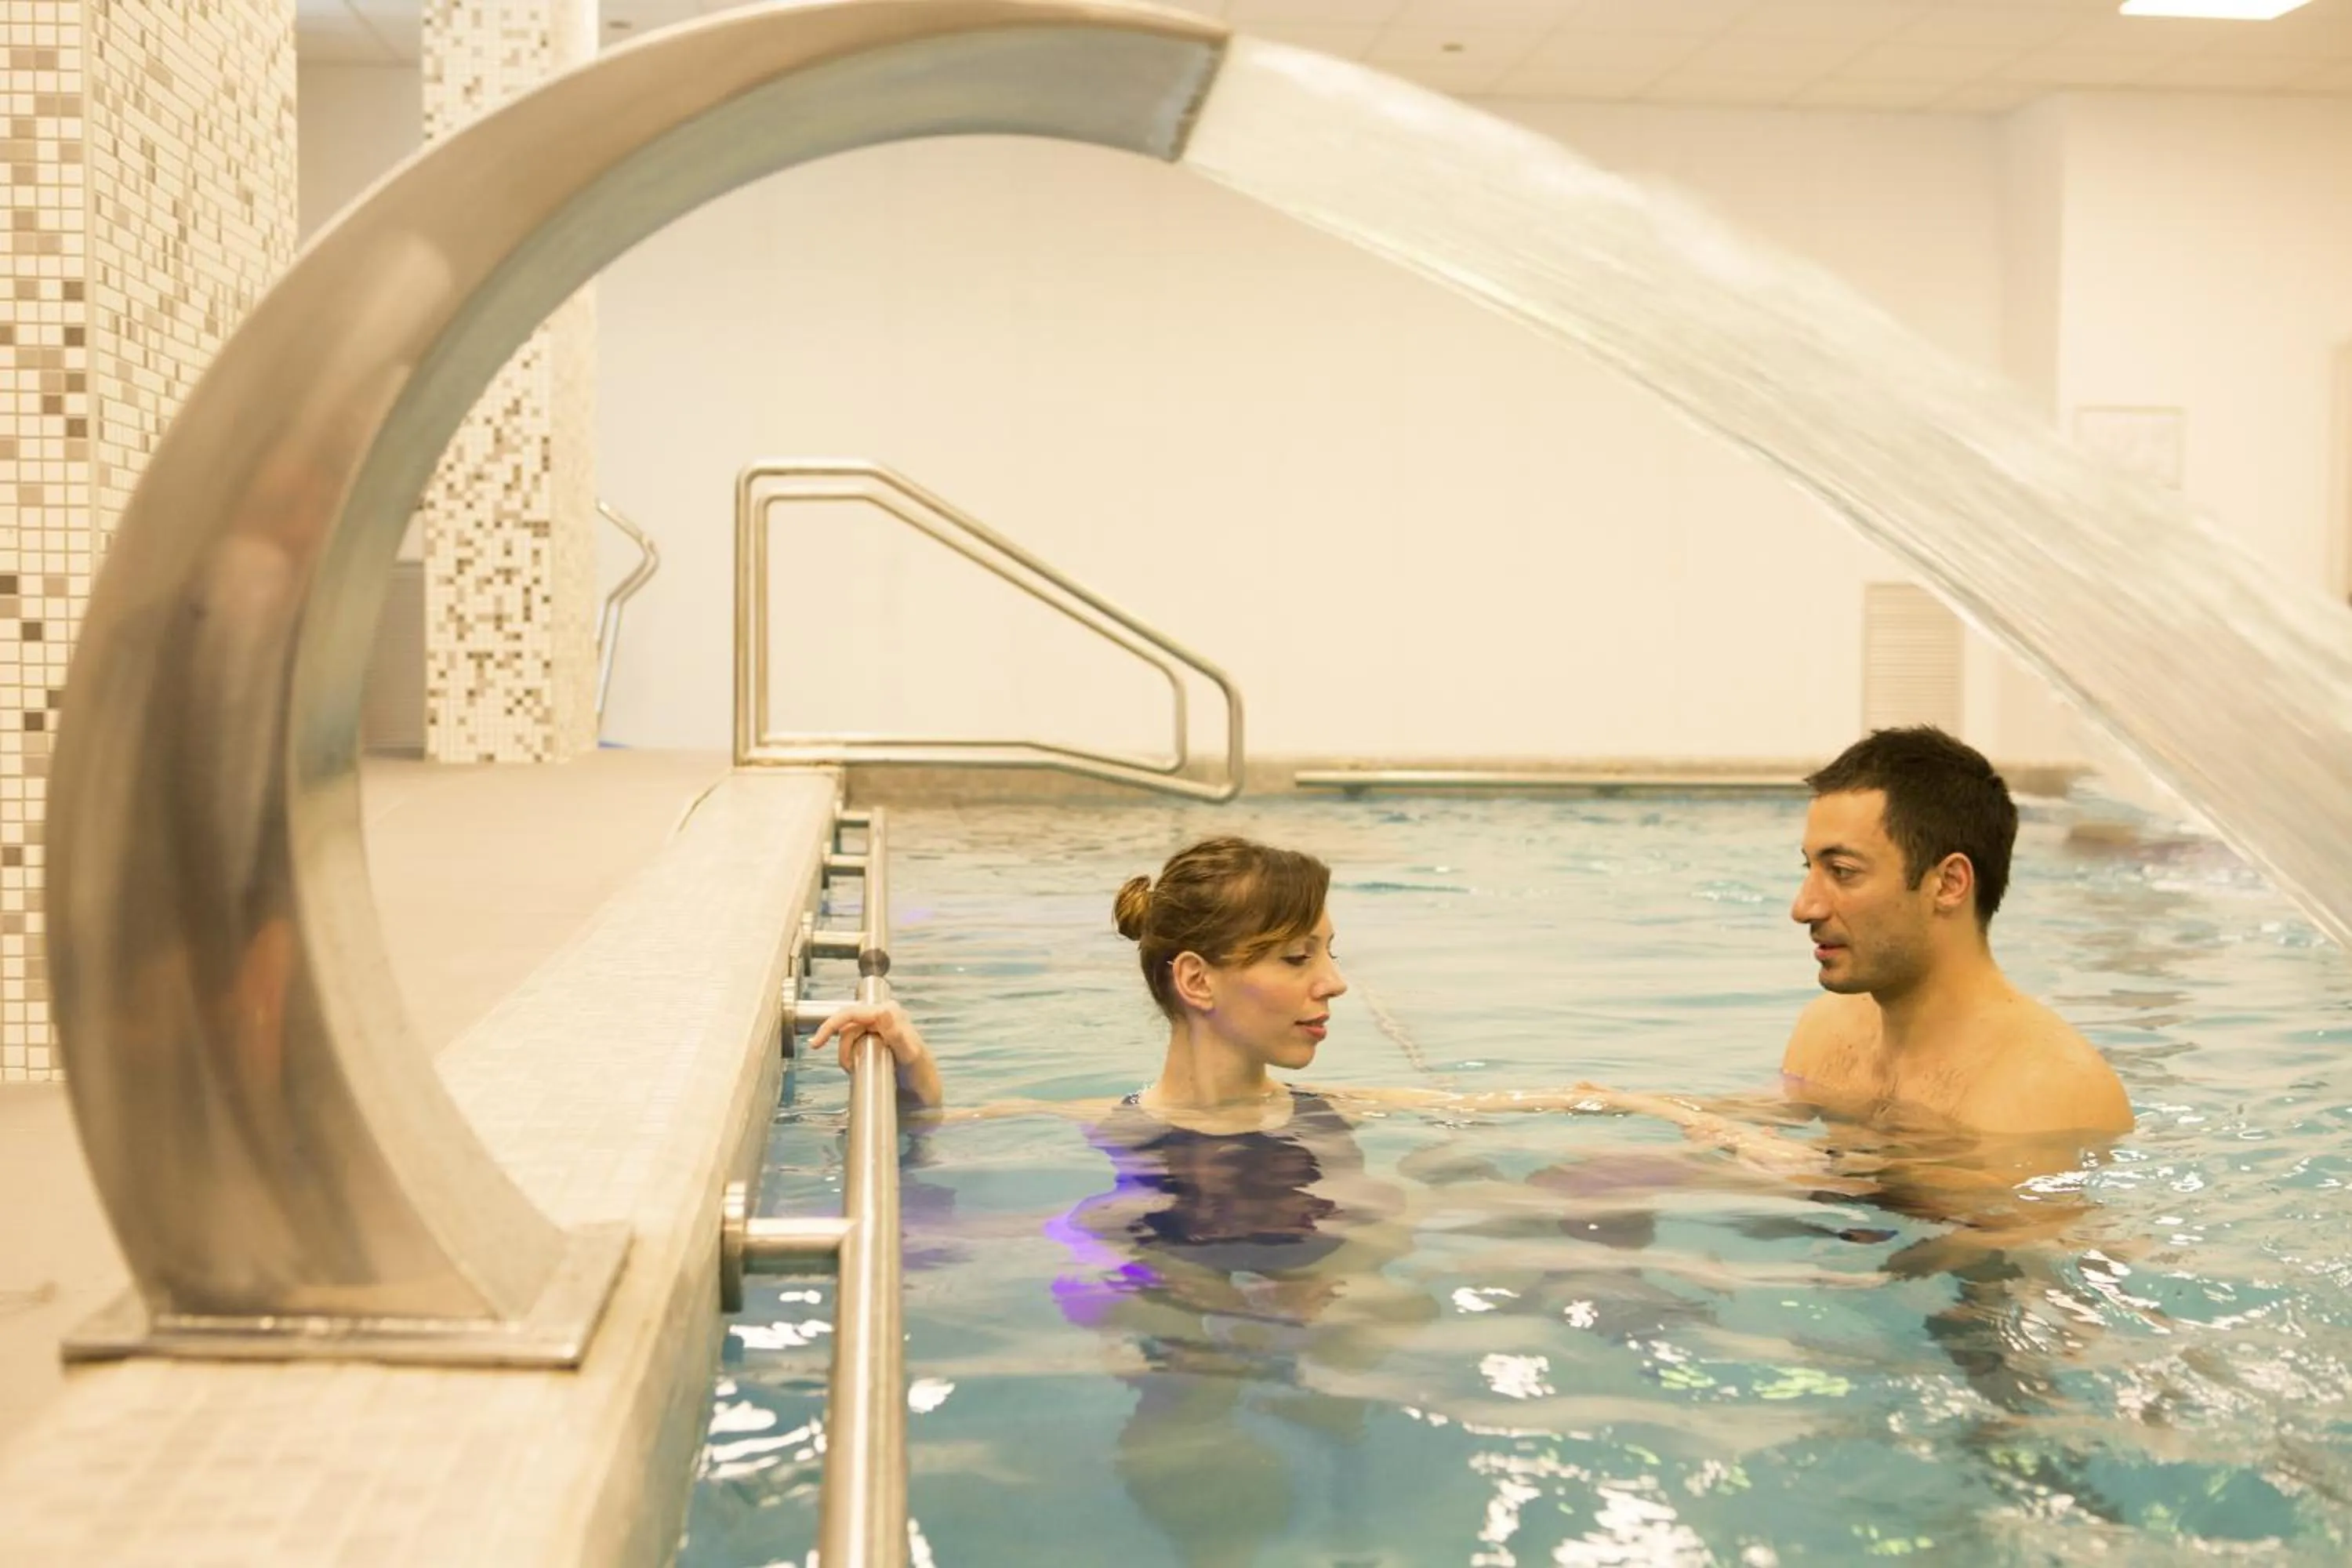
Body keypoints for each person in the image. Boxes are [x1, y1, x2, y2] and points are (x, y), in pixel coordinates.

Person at [1781, 725, 2132, 1138]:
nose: (1804, 908)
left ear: (1949, 884)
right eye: (1810, 868)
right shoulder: (1824, 1030)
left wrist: (1801, 1166)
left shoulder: (2050, 1089)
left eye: (1842, 872)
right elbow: (1758, 1132)